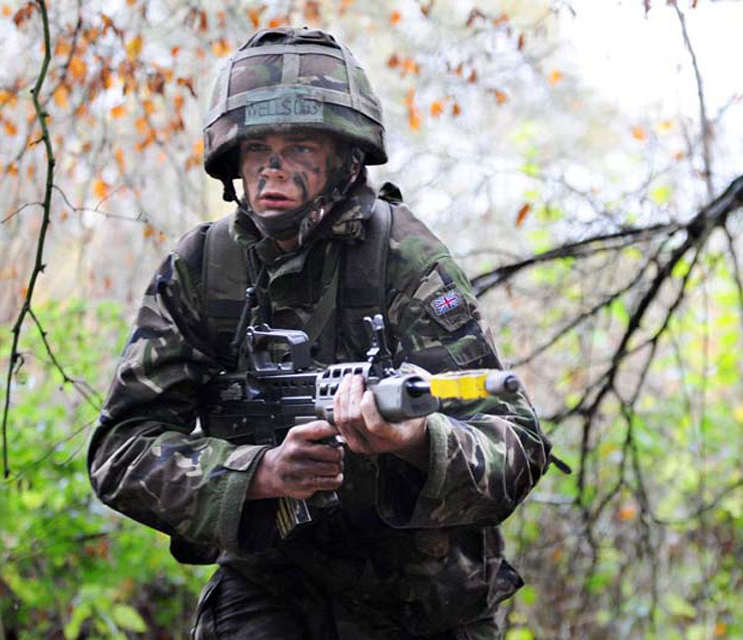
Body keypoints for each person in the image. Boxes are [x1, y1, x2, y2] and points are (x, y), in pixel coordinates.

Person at [88, 27, 549, 640]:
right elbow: (122, 449)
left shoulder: (403, 257)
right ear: (233, 162)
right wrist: (260, 474)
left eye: (299, 148)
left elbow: (516, 447)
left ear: (345, 159)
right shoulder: (206, 268)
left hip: (421, 601)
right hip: (271, 588)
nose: (273, 170)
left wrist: (415, 441)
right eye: (257, 151)